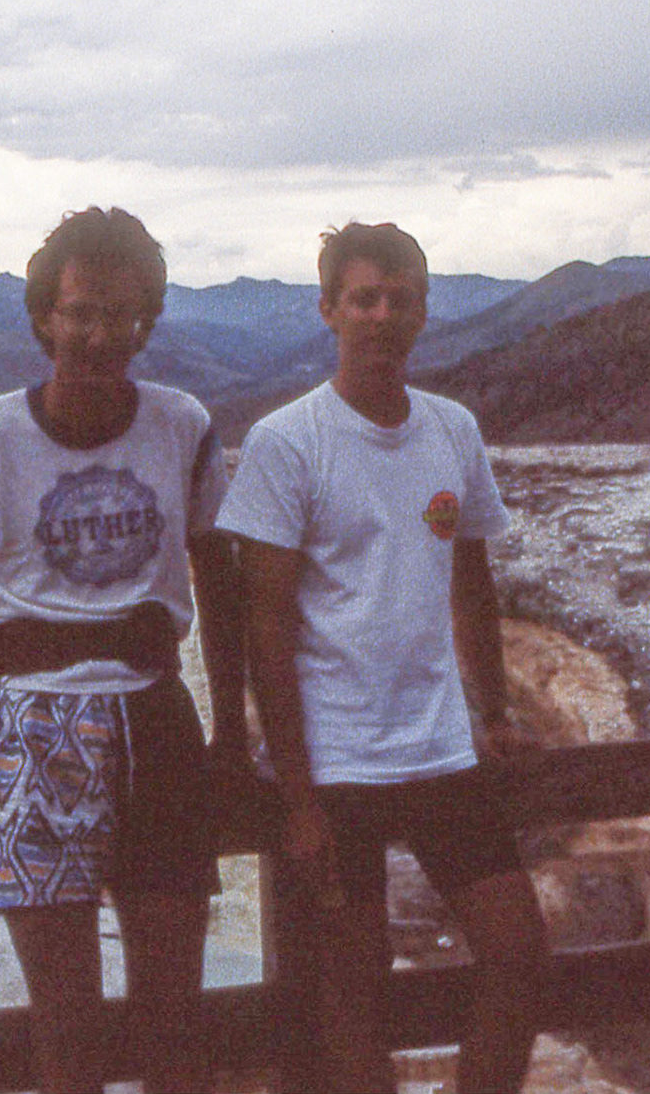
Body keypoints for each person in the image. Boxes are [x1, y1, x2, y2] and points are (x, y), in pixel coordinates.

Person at [0, 206, 244, 1094]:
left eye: (121, 315)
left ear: (147, 321)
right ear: (45, 314)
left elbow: (219, 574)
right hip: (28, 732)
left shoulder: (181, 425)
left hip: (156, 721)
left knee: (173, 1020)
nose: (99, 334)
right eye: (80, 311)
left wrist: (230, 733)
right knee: (66, 1027)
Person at [215, 221, 547, 1094]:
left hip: (439, 745)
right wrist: (296, 798)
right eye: (364, 297)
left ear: (424, 313)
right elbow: (265, 629)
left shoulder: (452, 430)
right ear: (329, 309)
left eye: (401, 299)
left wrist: (497, 711)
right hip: (338, 760)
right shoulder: (289, 442)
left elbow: (470, 582)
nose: (382, 315)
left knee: (519, 950)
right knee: (353, 995)